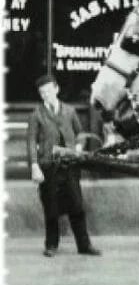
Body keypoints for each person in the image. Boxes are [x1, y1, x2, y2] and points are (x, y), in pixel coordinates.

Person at [26, 74, 100, 257]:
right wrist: (35, 165)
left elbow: (80, 134)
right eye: (42, 93)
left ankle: (84, 245)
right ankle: (51, 245)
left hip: (70, 166)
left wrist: (78, 148)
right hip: (48, 166)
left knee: (77, 205)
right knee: (50, 207)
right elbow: (30, 142)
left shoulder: (69, 111)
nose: (46, 95)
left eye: (49, 91)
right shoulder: (36, 115)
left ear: (56, 89)